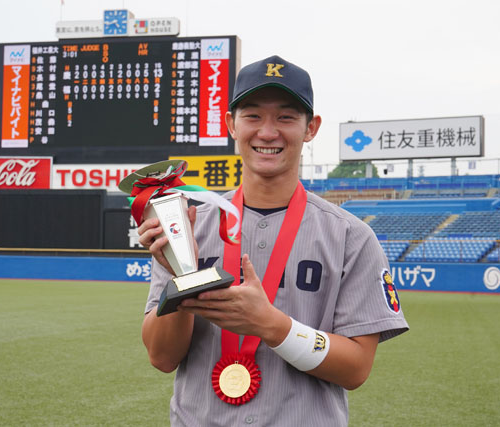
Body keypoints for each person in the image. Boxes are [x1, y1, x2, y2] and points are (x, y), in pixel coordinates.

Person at [138, 55, 409, 426]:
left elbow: (356, 369)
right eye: (252, 116)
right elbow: (162, 357)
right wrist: (182, 279)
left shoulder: (351, 236)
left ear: (310, 128)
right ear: (232, 124)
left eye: (285, 117)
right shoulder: (187, 226)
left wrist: (273, 326)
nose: (268, 132)